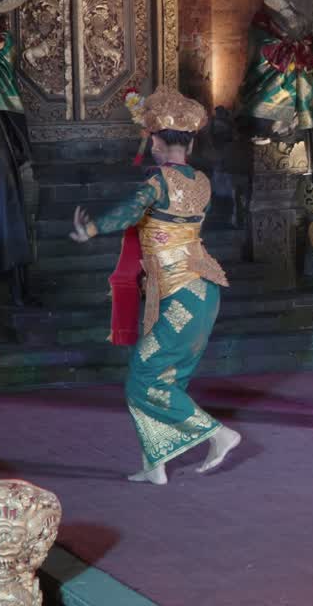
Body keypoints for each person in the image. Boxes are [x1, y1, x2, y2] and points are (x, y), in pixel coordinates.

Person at [70, 86, 241, 485]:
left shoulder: (158, 182)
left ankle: (219, 434)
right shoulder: (200, 181)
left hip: (182, 293)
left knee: (143, 378)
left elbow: (131, 211)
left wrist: (92, 228)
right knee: (167, 380)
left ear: (157, 143)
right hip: (199, 292)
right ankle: (155, 465)